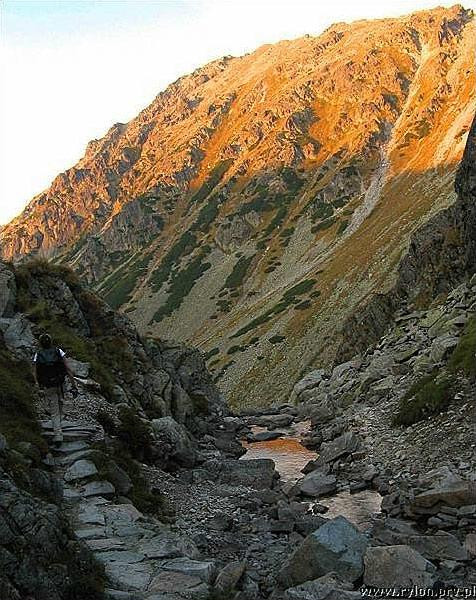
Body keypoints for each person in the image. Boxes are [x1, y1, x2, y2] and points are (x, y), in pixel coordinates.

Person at [33, 333, 78, 445]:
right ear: (51, 341)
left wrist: (38, 386)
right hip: (60, 383)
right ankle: (59, 430)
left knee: (54, 410)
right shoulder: (58, 351)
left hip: (48, 386)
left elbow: (35, 373)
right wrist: (73, 385)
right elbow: (67, 369)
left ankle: (58, 433)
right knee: (61, 403)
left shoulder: (38, 355)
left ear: (40, 343)